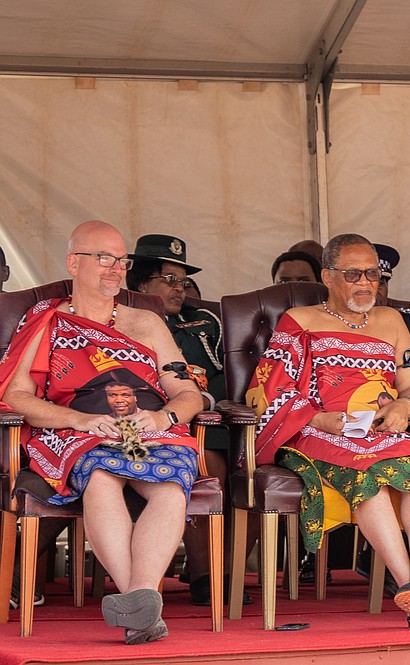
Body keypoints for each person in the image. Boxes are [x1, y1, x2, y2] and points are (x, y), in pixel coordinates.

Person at [247, 233, 410, 630]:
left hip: (381, 429)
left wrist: (405, 404)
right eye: (354, 274)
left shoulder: (393, 320)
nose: (366, 283)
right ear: (328, 276)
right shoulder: (298, 321)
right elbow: (271, 390)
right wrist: (318, 419)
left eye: (372, 274)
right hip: (318, 431)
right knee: (368, 475)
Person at [0, 220, 204, 644]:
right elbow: (17, 396)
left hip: (151, 426)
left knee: (170, 486)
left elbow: (188, 392)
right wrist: (78, 421)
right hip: (80, 427)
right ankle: (142, 601)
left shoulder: (147, 323)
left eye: (121, 260)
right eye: (104, 258)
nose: (115, 268)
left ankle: (139, 599)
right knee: (100, 478)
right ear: (74, 262)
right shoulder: (47, 320)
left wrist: (164, 418)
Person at [125, 233, 241, 605]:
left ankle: (211, 570)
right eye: (169, 280)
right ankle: (205, 573)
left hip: (206, 420)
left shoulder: (203, 320)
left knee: (245, 468)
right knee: (204, 463)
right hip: (145, 423)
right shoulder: (122, 318)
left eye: (184, 281)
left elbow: (228, 374)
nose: (180, 289)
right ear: (142, 282)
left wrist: (203, 400)